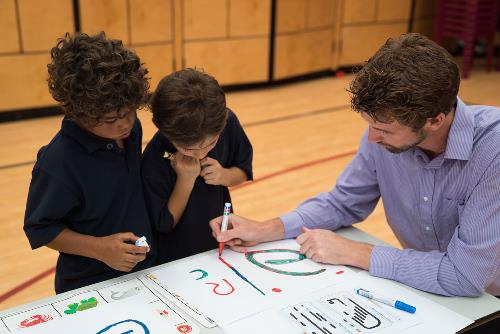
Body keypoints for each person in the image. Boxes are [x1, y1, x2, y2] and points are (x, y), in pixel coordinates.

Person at [210, 33, 500, 297]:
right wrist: (265, 229)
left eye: (384, 130)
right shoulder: (386, 132)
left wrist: (356, 253)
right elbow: (343, 203)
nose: (372, 138)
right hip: (431, 289)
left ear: (434, 120)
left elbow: (464, 276)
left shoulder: (493, 152)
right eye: (370, 125)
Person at [24, 32, 155, 293]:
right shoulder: (58, 162)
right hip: (89, 283)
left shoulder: (128, 131)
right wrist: (100, 248)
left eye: (130, 111)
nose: (126, 123)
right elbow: (40, 227)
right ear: (79, 111)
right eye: (111, 119)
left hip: (143, 270)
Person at [141, 68, 253, 264]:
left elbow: (243, 170)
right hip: (176, 260)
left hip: (219, 243)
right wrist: (185, 181)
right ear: (167, 134)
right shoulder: (154, 157)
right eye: (188, 149)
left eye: (211, 144)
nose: (201, 154)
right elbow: (165, 224)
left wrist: (224, 175)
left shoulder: (226, 123)